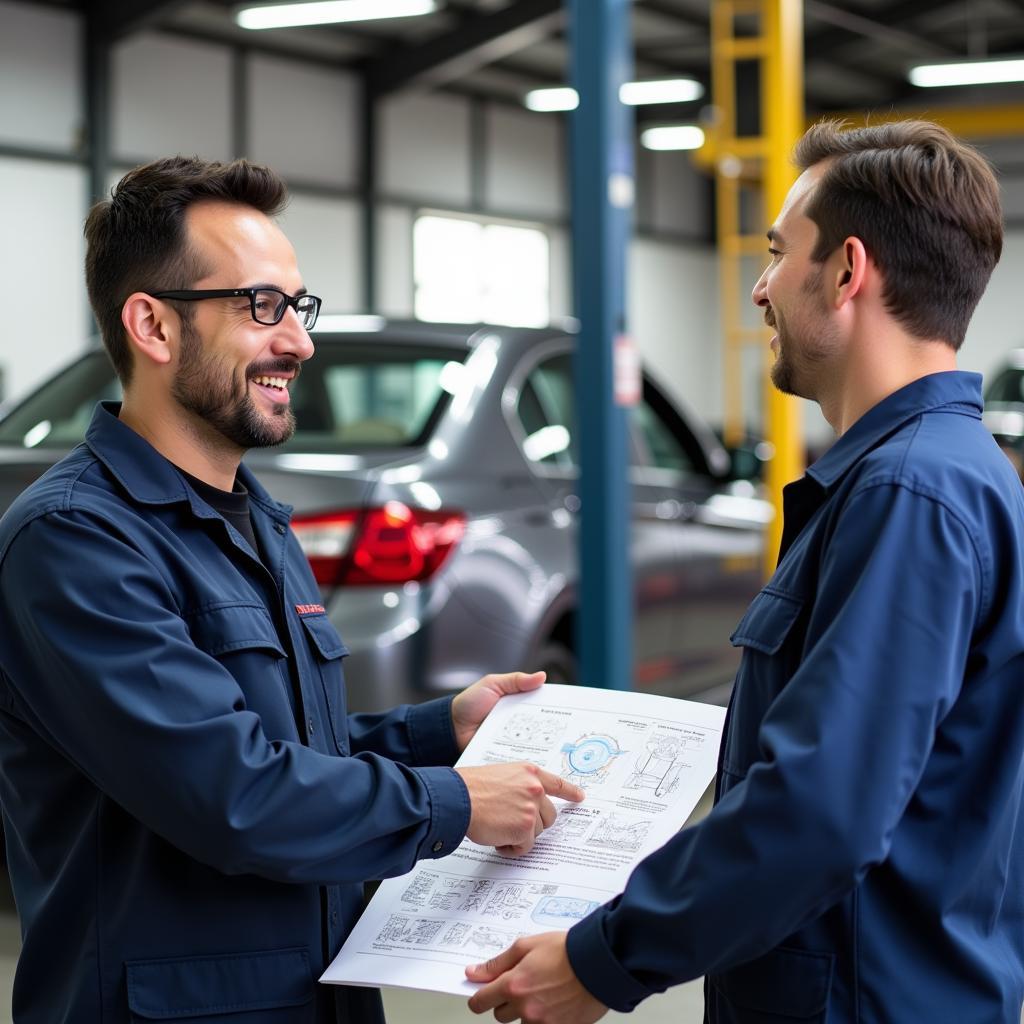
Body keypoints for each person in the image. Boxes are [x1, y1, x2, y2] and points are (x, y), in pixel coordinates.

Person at [0, 156, 584, 1024]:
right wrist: (455, 803)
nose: (300, 343)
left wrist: (436, 732)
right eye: (261, 307)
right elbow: (232, 794)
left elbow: (279, 743)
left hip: (312, 993)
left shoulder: (256, 518)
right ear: (153, 326)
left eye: (297, 307)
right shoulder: (78, 541)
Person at [466, 119, 1024, 1023]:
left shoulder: (908, 494)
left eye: (776, 255)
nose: (760, 290)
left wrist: (605, 958)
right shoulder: (948, 474)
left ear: (847, 271)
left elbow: (820, 812)